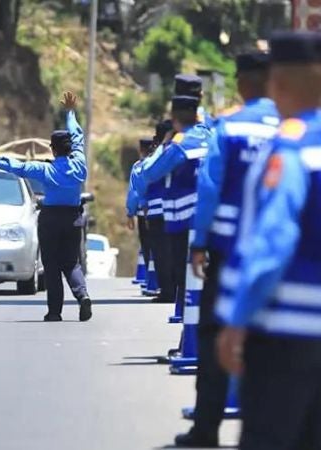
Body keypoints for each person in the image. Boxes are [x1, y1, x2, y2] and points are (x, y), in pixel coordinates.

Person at [216, 31, 321, 450]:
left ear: (277, 84)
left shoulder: (291, 149)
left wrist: (237, 320)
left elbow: (273, 242)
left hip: (284, 331)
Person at [175, 51, 277, 448]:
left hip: (229, 254)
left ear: (240, 83)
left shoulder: (229, 127)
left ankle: (206, 429)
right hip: (278, 259)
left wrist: (199, 243)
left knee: (215, 339)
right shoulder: (297, 128)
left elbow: (210, 189)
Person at [0, 91, 92, 322]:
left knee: (51, 265)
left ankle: (55, 312)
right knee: (72, 263)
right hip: (73, 218)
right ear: (70, 149)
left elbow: (18, 167)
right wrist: (70, 113)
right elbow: (78, 136)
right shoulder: (80, 165)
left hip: (51, 218)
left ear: (52, 150)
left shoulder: (45, 169)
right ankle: (82, 296)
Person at [136, 95, 213, 317]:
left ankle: (188, 333)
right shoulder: (213, 136)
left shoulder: (180, 144)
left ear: (174, 118)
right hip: (208, 217)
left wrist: (164, 144)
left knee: (183, 273)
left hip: (181, 219)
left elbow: (150, 173)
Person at [147, 120, 174, 303]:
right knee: (172, 253)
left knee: (162, 254)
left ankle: (168, 291)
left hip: (158, 211)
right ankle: (174, 290)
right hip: (175, 210)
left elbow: (147, 173)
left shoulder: (165, 153)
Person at [126, 139, 154, 285]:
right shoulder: (160, 164)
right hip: (162, 211)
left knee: (147, 246)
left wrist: (130, 213)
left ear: (141, 150)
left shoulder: (138, 167)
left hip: (144, 214)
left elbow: (134, 193)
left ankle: (151, 280)